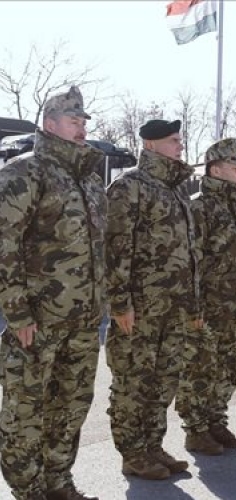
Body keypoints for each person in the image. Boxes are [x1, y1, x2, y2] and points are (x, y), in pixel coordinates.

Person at [0, 86, 104, 500]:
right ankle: (28, 491)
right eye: (74, 120)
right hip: (38, 320)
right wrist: (18, 313)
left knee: (70, 408)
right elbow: (4, 243)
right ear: (50, 123)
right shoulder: (25, 172)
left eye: (83, 121)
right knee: (25, 411)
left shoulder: (90, 180)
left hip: (82, 321)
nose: (81, 127)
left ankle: (59, 483)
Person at [105, 119, 201, 480]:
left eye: (179, 140)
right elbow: (116, 247)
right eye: (173, 141)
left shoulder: (176, 190)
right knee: (133, 381)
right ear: (150, 146)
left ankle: (152, 445)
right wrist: (119, 303)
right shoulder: (130, 186)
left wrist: (192, 303)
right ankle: (132, 453)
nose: (180, 146)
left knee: (164, 381)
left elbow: (189, 254)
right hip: (141, 307)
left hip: (173, 307)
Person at [175, 138, 236, 455]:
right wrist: (195, 306)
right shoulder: (199, 206)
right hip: (209, 305)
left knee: (228, 367)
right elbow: (191, 261)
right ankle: (196, 430)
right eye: (235, 168)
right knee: (199, 369)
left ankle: (216, 421)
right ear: (215, 169)